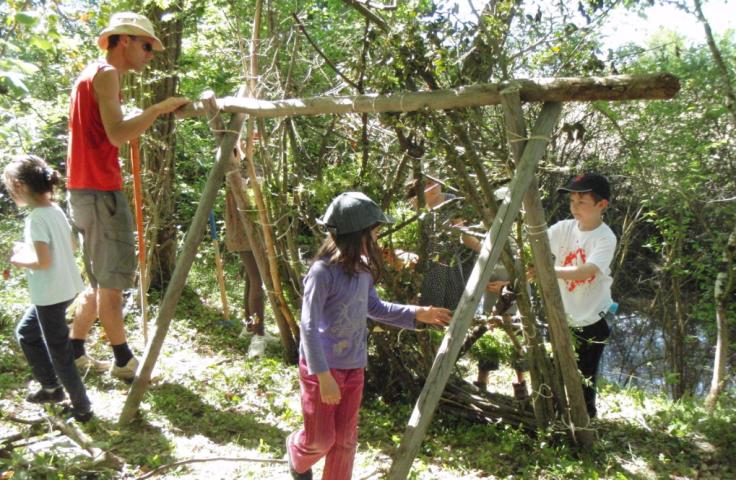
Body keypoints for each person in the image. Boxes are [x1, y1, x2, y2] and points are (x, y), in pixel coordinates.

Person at [285, 192, 451, 480]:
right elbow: (308, 326)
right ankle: (297, 452)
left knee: (346, 442)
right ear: (357, 234)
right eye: (373, 233)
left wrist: (416, 313)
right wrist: (323, 375)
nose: (375, 239)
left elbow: (374, 307)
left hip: (354, 365)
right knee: (321, 440)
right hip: (321, 368)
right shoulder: (321, 273)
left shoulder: (361, 270)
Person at [66, 12, 190, 381]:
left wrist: (141, 113)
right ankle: (124, 362)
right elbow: (119, 134)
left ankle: (73, 352)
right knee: (113, 283)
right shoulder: (105, 75)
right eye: (146, 45)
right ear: (123, 40)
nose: (150, 53)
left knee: (99, 279)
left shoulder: (91, 75)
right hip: (99, 192)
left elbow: (105, 128)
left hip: (85, 190)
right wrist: (156, 109)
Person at [3, 155, 92, 422]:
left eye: (9, 187)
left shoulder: (36, 219)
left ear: (19, 185)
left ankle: (82, 407)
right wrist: (28, 248)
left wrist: (17, 258)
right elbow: (71, 247)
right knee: (27, 333)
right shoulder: (55, 209)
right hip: (65, 287)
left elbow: (42, 261)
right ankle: (51, 387)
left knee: (59, 351)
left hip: (50, 293)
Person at [548, 172, 617, 418]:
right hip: (563, 316)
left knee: (585, 377)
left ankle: (586, 422)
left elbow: (586, 271)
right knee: (555, 369)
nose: (574, 207)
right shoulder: (563, 228)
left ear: (601, 205)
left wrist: (547, 271)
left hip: (592, 319)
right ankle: (556, 416)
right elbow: (533, 249)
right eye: (571, 201)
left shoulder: (605, 237)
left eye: (581, 202)